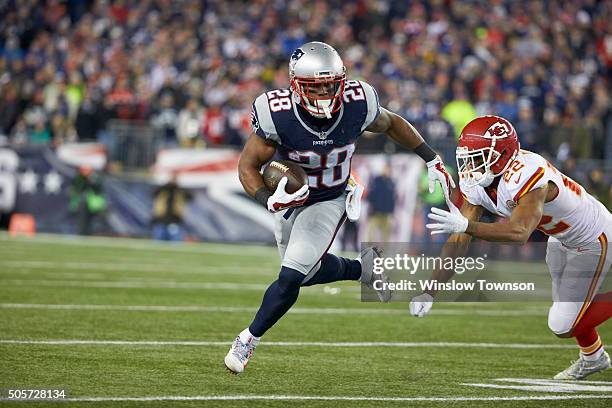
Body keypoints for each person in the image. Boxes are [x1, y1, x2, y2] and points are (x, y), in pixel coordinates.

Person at [224, 41, 455, 374]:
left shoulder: (358, 103)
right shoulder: (276, 112)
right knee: (306, 273)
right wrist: (267, 198)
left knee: (290, 277)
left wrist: (431, 157)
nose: (325, 95)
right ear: (295, 84)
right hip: (290, 199)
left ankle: (248, 340)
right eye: (315, 88)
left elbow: (391, 123)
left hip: (329, 198)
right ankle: (363, 269)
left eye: (331, 85)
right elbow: (248, 166)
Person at [410, 115, 611, 380]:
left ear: (503, 154)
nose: (470, 165)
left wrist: (466, 226)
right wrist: (430, 291)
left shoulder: (527, 173)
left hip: (594, 237)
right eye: (468, 156)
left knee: (562, 325)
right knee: (569, 308)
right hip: (561, 239)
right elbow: (460, 239)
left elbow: (518, 233)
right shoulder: (480, 180)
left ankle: (592, 355)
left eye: (478, 156)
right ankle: (593, 358)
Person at [151, 175, 191, 241]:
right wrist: (167, 185)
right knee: (159, 240)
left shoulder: (179, 190)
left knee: (175, 241)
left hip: (175, 218)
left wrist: (177, 187)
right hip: (161, 217)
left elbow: (189, 197)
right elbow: (154, 193)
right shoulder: (164, 190)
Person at [367, 164, 396, 242]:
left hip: (386, 212)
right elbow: (372, 194)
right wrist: (371, 207)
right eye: (386, 169)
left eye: (389, 169)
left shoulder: (392, 182)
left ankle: (385, 250)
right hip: (376, 211)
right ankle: (369, 248)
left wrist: (392, 212)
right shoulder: (377, 180)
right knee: (371, 231)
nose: (387, 171)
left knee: (386, 232)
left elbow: (392, 199)